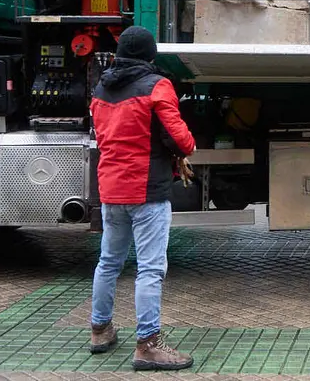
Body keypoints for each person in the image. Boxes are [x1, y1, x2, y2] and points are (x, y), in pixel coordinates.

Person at [88, 26, 196, 370]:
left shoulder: (101, 88)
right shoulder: (156, 86)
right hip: (147, 190)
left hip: (111, 188)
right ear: (150, 55)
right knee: (150, 268)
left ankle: (100, 329)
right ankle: (148, 344)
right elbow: (182, 140)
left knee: (109, 262)